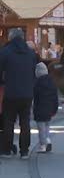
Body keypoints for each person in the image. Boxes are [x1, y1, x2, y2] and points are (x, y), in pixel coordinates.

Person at [0, 28, 36, 159]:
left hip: (10, 92)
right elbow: (33, 71)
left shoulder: (5, 52)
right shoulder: (30, 53)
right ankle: (24, 151)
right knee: (25, 122)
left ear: (10, 38)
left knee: (8, 121)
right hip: (27, 93)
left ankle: (7, 150)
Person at [33, 62, 58, 153]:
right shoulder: (52, 82)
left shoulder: (37, 84)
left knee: (41, 128)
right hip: (50, 109)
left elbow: (36, 98)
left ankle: (42, 145)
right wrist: (55, 108)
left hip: (40, 110)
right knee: (47, 126)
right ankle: (47, 140)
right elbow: (55, 97)